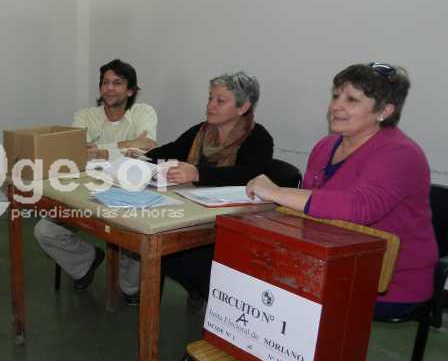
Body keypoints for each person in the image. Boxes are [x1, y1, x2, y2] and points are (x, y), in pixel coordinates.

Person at [247, 63, 437, 319]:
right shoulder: (325, 146)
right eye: (336, 96)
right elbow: (312, 214)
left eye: (352, 100)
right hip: (328, 263)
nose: (336, 106)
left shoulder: (401, 154)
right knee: (246, 270)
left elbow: (359, 207)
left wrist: (277, 192)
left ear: (384, 111)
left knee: (271, 296)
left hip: (388, 281)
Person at [34, 59, 157, 305]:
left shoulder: (144, 112)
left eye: (117, 83)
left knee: (131, 232)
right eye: (105, 83)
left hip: (128, 189)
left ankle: (130, 287)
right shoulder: (85, 115)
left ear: (130, 90)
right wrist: (125, 148)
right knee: (44, 230)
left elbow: (147, 145)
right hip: (87, 188)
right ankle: (86, 262)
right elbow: (78, 150)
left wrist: (102, 150)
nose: (109, 88)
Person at [145, 71, 273, 307]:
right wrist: (137, 158)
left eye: (220, 100)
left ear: (243, 106)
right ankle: (199, 291)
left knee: (183, 257)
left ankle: (220, 307)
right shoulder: (202, 131)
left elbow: (248, 175)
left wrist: (198, 173)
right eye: (210, 98)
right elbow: (171, 149)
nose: (210, 105)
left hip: (234, 224)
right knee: (164, 250)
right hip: (194, 215)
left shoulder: (259, 138)